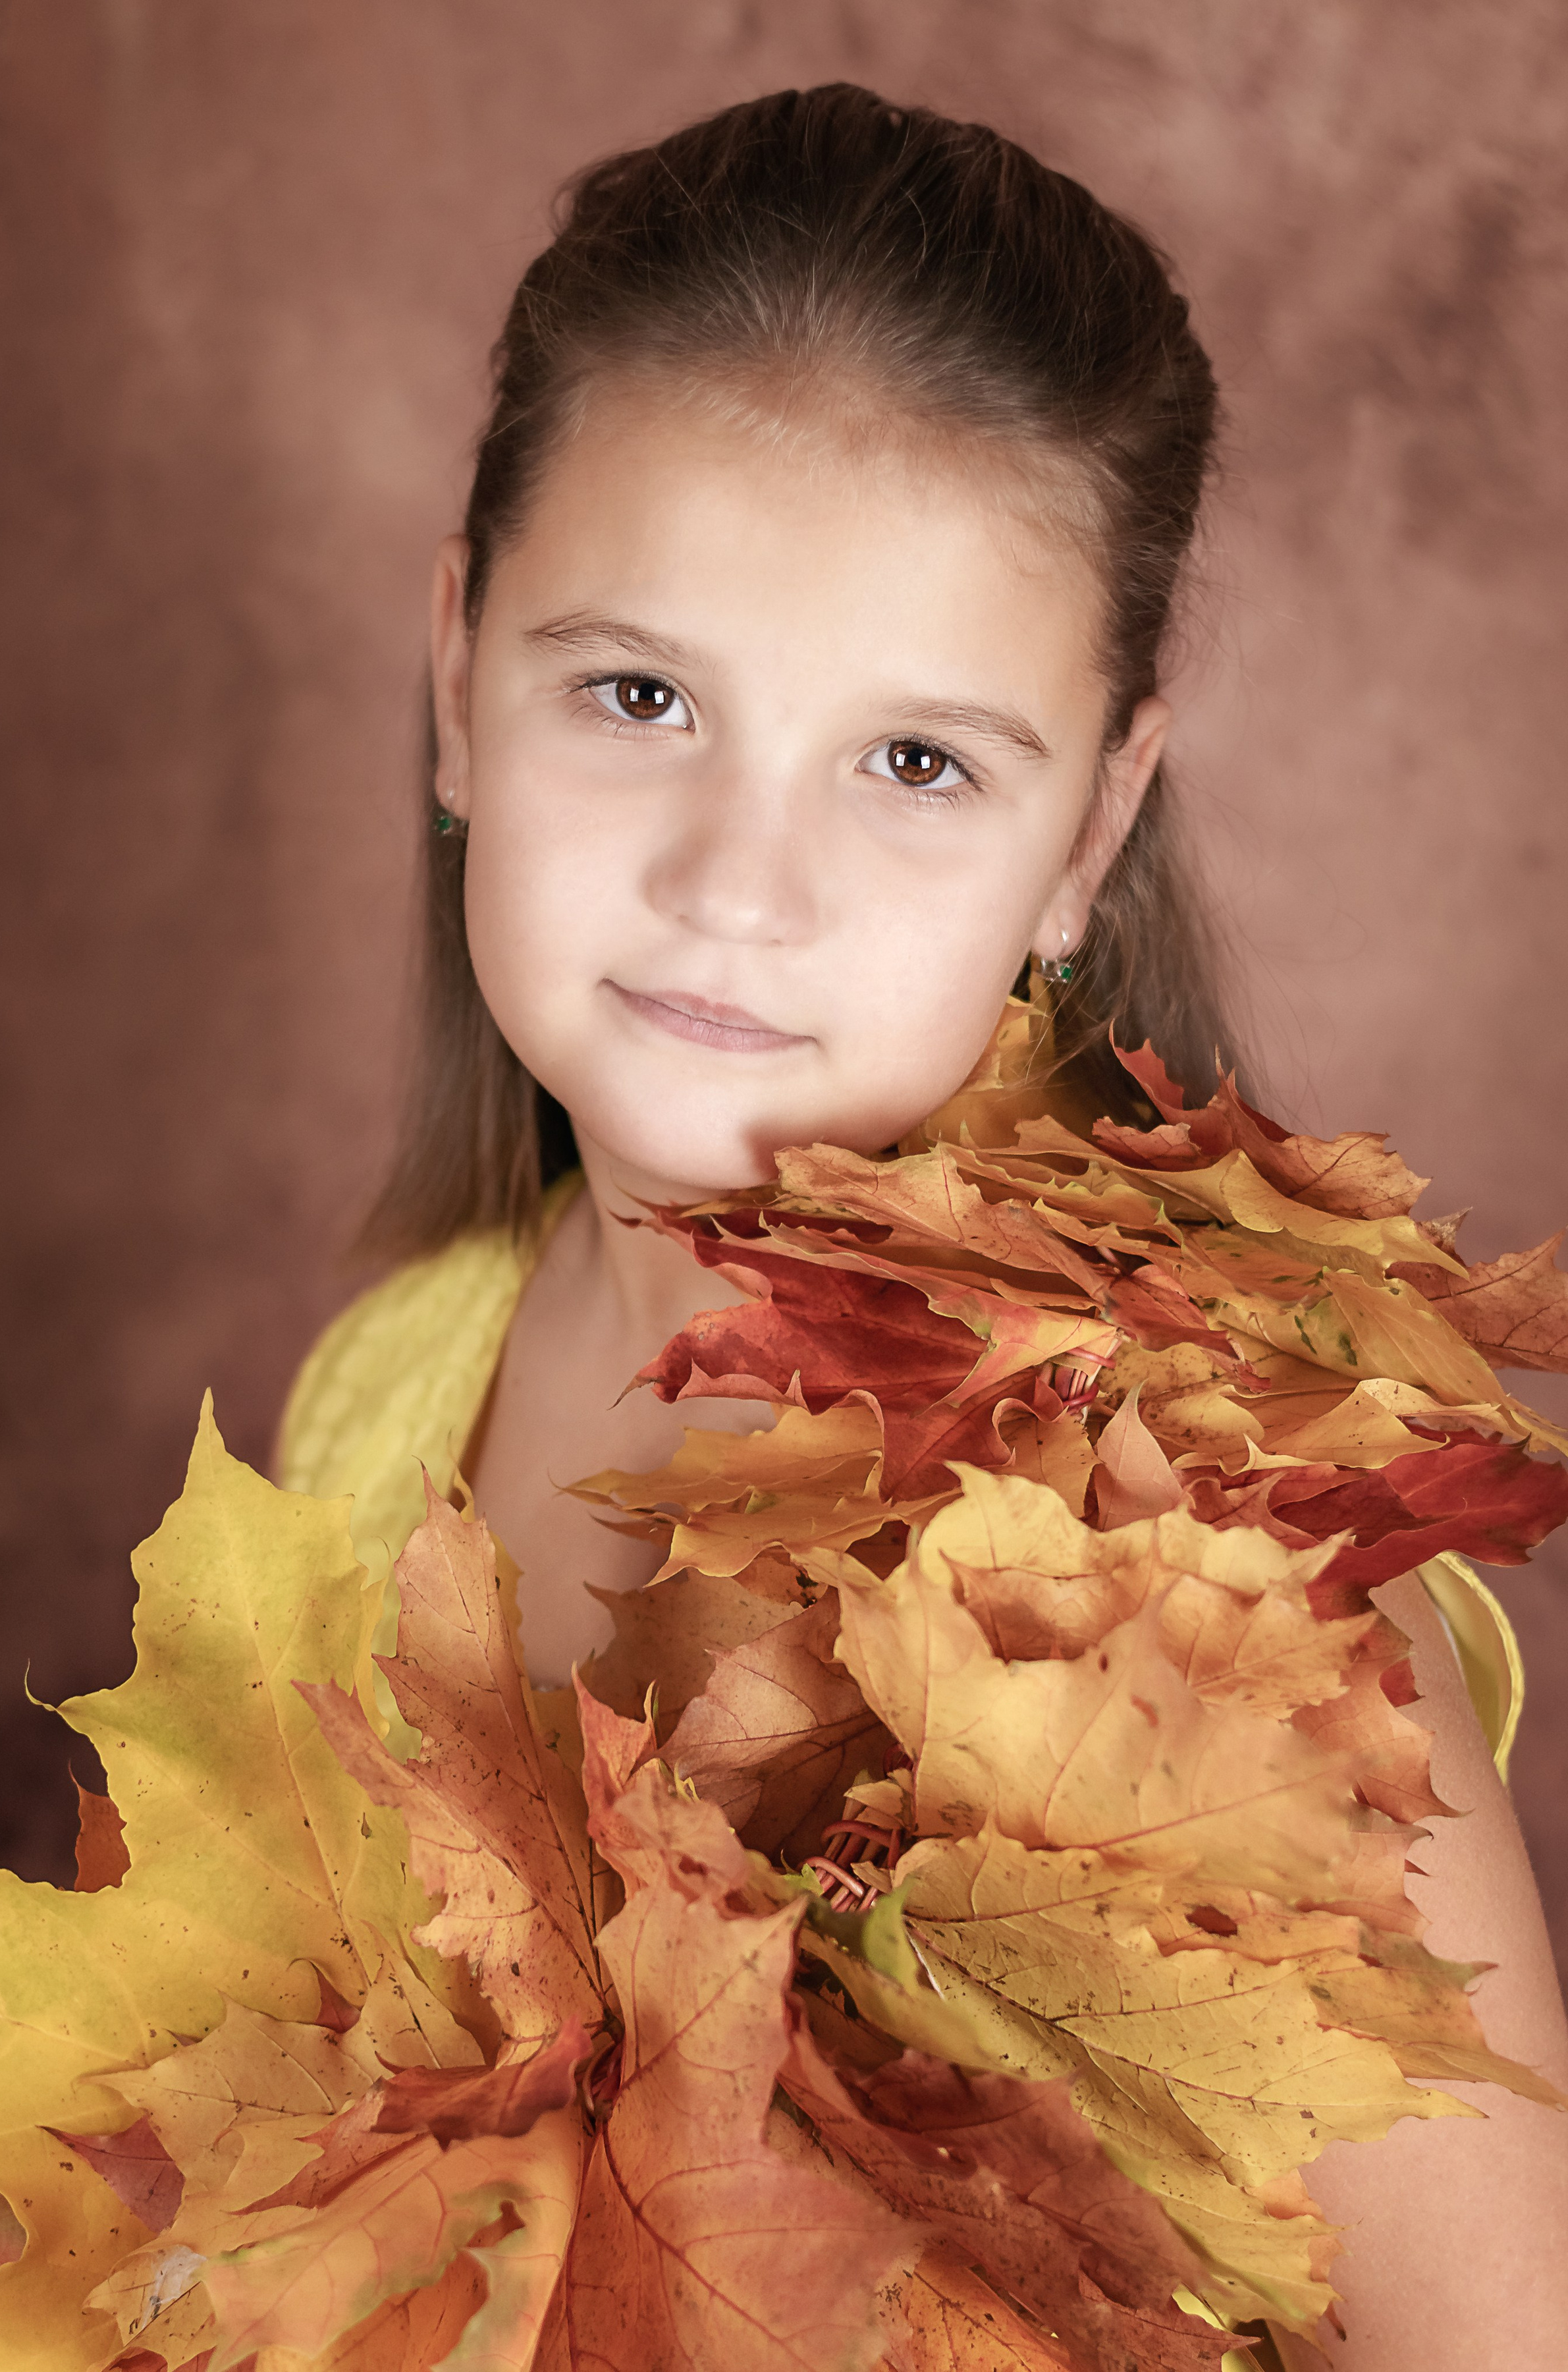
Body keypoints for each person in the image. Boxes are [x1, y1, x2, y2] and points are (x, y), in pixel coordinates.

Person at [277, 85, 1568, 2369]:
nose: (735, 883)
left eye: (915, 763)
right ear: (460, 672)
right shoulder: (390, 1376)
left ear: (1092, 829)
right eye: (641, 692)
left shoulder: (1187, 1556)